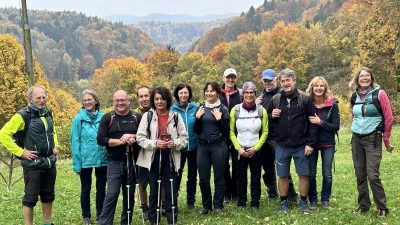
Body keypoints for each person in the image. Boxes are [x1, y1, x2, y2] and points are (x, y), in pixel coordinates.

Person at [0, 85, 58, 225]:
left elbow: (52, 131)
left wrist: (56, 145)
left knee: (48, 195)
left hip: (50, 162)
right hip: (33, 164)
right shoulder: (22, 115)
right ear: (30, 99)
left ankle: (47, 223)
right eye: (38, 98)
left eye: (44, 97)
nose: (42, 100)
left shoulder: (48, 113)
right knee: (30, 198)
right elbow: (3, 135)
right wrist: (21, 152)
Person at [267, 68, 318, 214]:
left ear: (294, 81)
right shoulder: (276, 99)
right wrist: (272, 116)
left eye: (288, 80)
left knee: (303, 174)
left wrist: (310, 143)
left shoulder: (304, 98)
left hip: (300, 145)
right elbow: (267, 119)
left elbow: (313, 122)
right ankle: (283, 202)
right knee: (282, 175)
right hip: (281, 145)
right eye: (282, 81)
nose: (285, 83)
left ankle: (303, 202)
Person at [136, 86, 188, 225]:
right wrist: (154, 143)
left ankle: (172, 220)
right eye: (156, 99)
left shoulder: (175, 116)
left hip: (171, 157)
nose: (159, 102)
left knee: (171, 190)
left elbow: (184, 138)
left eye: (162, 99)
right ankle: (154, 220)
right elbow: (140, 138)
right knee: (154, 191)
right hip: (152, 158)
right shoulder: (148, 116)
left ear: (167, 100)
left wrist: (174, 143)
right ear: (153, 101)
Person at [348, 67, 394, 218]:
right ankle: (363, 205)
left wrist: (386, 139)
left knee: (372, 175)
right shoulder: (353, 96)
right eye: (361, 76)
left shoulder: (379, 94)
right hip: (356, 139)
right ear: (357, 79)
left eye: (367, 75)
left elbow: (388, 118)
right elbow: (355, 115)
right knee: (360, 174)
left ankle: (382, 207)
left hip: (373, 140)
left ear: (371, 78)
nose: (364, 78)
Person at [97, 90, 142, 225]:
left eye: (123, 100)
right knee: (111, 195)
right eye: (117, 100)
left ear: (129, 101)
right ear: (113, 102)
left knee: (129, 194)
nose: (120, 103)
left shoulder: (137, 117)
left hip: (133, 162)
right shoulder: (107, 118)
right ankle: (105, 223)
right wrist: (121, 141)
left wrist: (133, 137)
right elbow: (101, 139)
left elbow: (144, 136)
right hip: (114, 162)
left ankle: (126, 222)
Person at [256, 69, 299, 202]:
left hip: (277, 137)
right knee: (267, 167)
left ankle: (291, 195)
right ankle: (272, 192)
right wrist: (255, 106)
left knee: (282, 166)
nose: (268, 83)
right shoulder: (260, 97)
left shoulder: (283, 94)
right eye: (265, 81)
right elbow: (260, 116)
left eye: (270, 80)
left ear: (275, 80)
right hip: (263, 137)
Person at [230, 81, 268, 212]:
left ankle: (255, 204)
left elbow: (265, 132)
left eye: (252, 92)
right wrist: (238, 148)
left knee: (255, 178)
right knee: (240, 179)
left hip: (255, 150)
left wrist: (256, 148)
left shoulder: (262, 111)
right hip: (240, 150)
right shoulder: (235, 110)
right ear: (243, 94)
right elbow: (231, 131)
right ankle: (241, 203)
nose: (249, 95)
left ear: (255, 94)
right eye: (246, 92)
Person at [71, 90, 107, 224]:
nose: (87, 102)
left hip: (102, 158)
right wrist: (76, 164)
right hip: (85, 159)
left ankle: (100, 214)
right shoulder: (78, 119)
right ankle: (86, 216)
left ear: (96, 101)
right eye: (85, 100)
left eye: (89, 99)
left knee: (101, 188)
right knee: (85, 188)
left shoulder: (104, 117)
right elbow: (75, 141)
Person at [194, 81, 230, 215]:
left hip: (218, 146)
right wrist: (197, 118)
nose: (209, 93)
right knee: (203, 178)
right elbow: (196, 130)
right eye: (207, 91)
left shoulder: (222, 108)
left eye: (212, 91)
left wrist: (219, 119)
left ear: (217, 92)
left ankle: (218, 206)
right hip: (203, 146)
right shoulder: (201, 107)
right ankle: (206, 205)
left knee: (219, 177)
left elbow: (227, 132)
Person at [305, 77, 340, 210]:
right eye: (316, 86)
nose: (319, 88)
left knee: (327, 173)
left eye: (321, 86)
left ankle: (325, 200)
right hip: (311, 144)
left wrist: (320, 122)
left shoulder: (333, 104)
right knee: (311, 173)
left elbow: (336, 126)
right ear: (312, 88)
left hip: (327, 143)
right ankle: (312, 200)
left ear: (325, 88)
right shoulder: (307, 103)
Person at [171, 84, 198, 210]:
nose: (183, 95)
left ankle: (190, 200)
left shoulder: (196, 108)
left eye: (186, 93)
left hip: (194, 148)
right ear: (177, 95)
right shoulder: (172, 110)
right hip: (178, 149)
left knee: (192, 176)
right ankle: (174, 200)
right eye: (181, 93)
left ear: (189, 94)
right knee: (177, 174)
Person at [219, 68, 242, 203]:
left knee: (237, 165)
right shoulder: (218, 92)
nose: (230, 80)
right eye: (228, 77)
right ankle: (227, 193)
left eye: (233, 77)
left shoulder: (240, 94)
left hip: (237, 135)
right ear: (223, 78)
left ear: (236, 79)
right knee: (223, 165)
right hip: (221, 134)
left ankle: (236, 192)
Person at [134, 86, 152, 221]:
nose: (144, 99)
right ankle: (144, 207)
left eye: (146, 96)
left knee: (160, 181)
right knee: (142, 182)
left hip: (157, 152)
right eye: (141, 96)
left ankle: (161, 205)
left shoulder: (159, 109)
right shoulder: (134, 114)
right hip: (141, 154)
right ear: (138, 98)